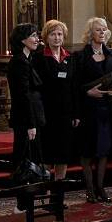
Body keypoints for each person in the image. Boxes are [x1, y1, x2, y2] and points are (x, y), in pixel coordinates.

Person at [73, 17, 112, 203]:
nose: (102, 32)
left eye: (104, 29)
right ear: (90, 33)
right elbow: (74, 85)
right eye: (98, 30)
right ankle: (90, 189)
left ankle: (101, 188)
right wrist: (88, 92)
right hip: (88, 109)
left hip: (107, 109)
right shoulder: (80, 56)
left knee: (103, 149)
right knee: (88, 150)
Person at [32, 20, 79, 182]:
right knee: (47, 154)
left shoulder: (70, 57)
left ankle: (58, 193)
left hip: (65, 113)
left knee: (63, 154)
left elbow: (74, 86)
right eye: (53, 34)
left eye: (59, 34)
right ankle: (45, 189)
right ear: (46, 37)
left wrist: (75, 113)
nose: (57, 38)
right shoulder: (38, 58)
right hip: (47, 112)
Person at [6, 23, 45, 211]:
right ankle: (21, 204)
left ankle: (29, 201)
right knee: (24, 162)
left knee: (32, 160)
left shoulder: (28, 59)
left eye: (38, 35)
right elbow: (22, 96)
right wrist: (30, 124)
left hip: (33, 117)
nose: (38, 39)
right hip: (25, 120)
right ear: (22, 40)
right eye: (33, 36)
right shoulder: (18, 62)